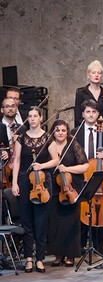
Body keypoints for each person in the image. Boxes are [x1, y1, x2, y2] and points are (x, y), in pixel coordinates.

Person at [73, 99, 103, 255]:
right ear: (83, 114)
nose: (91, 115)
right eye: (88, 112)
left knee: (100, 211)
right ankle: (80, 246)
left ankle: (99, 246)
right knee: (82, 211)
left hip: (100, 177)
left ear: (98, 114)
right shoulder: (75, 132)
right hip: (81, 176)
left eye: (94, 112)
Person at [11, 106, 53, 273]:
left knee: (41, 222)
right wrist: (14, 183)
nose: (33, 119)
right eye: (30, 116)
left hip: (42, 181)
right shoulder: (21, 138)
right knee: (27, 221)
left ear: (41, 118)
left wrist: (42, 165)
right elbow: (17, 161)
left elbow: (56, 160)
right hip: (24, 180)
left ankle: (40, 259)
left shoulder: (47, 137)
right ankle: (29, 258)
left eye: (35, 116)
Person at [46, 120, 89, 267]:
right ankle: (58, 255)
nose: (60, 133)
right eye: (57, 130)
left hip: (71, 189)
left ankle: (70, 256)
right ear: (53, 132)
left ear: (67, 132)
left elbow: (85, 166)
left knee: (70, 224)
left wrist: (67, 169)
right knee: (55, 224)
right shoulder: (49, 146)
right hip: (54, 189)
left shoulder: (73, 145)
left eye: (63, 130)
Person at [74, 60, 103, 126]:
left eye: (99, 73)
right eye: (93, 73)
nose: (96, 75)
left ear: (101, 76)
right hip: (87, 130)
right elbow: (78, 118)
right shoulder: (81, 93)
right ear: (88, 75)